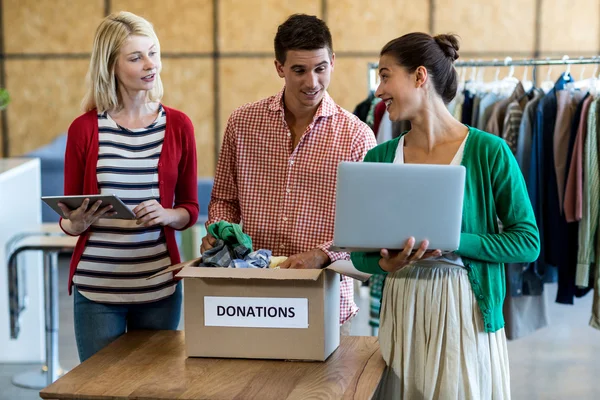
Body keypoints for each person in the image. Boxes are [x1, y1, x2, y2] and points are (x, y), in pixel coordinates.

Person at [350, 33, 540, 399]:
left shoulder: (489, 152)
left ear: (420, 76)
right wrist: (386, 265)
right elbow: (358, 252)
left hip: (465, 311)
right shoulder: (379, 157)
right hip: (401, 307)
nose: (377, 91)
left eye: (386, 76)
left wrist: (453, 241)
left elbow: (527, 242)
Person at [202, 13, 377, 334]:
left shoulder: (357, 136)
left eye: (320, 68)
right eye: (299, 70)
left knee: (324, 386)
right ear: (279, 67)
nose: (312, 82)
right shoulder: (242, 124)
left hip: (326, 299)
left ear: (333, 61)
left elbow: (367, 226)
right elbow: (224, 200)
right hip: (252, 296)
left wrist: (321, 254)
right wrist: (218, 231)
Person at [58, 11, 198, 362]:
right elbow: (68, 210)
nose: (151, 65)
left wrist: (167, 214)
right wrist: (73, 224)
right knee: (98, 390)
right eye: (136, 57)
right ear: (111, 67)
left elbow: (190, 210)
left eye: (153, 53)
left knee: (154, 389)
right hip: (97, 291)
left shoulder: (179, 125)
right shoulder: (84, 129)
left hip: (159, 288)